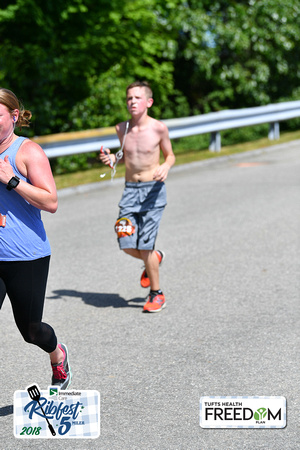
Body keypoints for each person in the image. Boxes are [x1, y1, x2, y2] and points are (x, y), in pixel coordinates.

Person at [0, 88, 71, 389]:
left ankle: (57, 355)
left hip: (25, 255)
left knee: (31, 331)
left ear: (14, 116)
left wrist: (12, 180)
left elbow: (51, 201)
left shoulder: (27, 152)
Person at [99, 81, 175, 312]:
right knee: (125, 240)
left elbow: (170, 155)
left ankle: (156, 293)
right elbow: (122, 156)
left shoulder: (159, 128)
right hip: (130, 191)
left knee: (144, 245)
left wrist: (165, 166)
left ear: (149, 102)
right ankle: (154, 257)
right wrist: (111, 159)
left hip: (153, 191)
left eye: (137, 98)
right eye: (129, 98)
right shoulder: (121, 129)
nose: (132, 102)